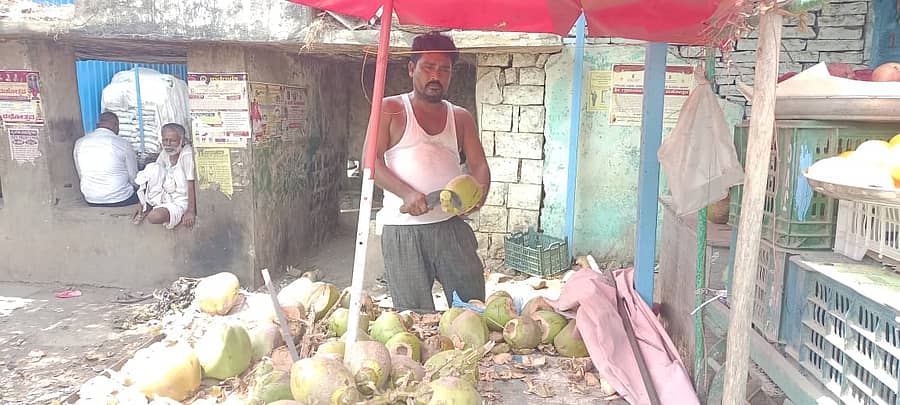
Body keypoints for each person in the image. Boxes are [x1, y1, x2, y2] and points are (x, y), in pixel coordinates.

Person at [369, 32, 492, 313]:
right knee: (414, 316)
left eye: (444, 69)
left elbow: (480, 165)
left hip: (451, 227)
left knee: (472, 309)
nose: (436, 75)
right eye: (428, 67)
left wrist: (477, 197)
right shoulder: (391, 109)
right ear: (412, 69)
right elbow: (371, 163)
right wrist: (407, 193)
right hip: (403, 232)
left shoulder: (460, 117)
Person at [131, 123, 197, 229]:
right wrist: (142, 202)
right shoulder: (165, 153)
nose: (168, 144)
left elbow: (191, 183)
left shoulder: (186, 155)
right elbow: (153, 176)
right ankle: (147, 205)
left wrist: (190, 211)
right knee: (153, 168)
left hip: (180, 201)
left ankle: (163, 210)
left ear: (182, 140)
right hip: (164, 196)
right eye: (165, 140)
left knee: (154, 217)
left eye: (173, 141)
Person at [74, 111, 139, 207]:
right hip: (121, 199)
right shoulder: (122, 144)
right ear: (115, 126)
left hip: (91, 199)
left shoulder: (80, 143)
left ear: (98, 125)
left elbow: (81, 174)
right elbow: (134, 177)